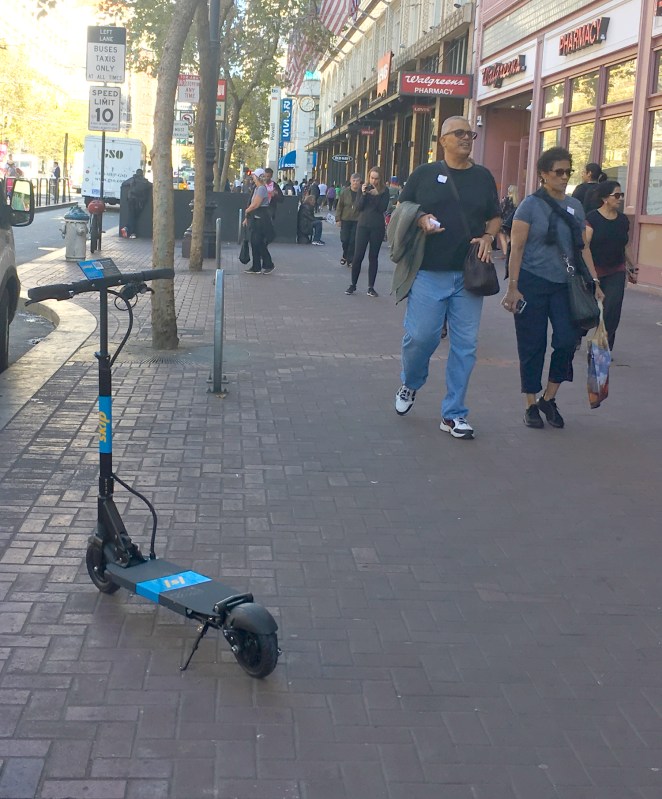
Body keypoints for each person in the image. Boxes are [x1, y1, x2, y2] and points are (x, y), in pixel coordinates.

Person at [394, 116, 501, 440]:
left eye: (471, 134)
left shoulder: (483, 177)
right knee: (421, 338)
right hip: (428, 272)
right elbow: (402, 208)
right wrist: (421, 217)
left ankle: (453, 414)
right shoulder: (424, 174)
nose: (467, 138)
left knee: (465, 347)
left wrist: (487, 237)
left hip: (468, 276)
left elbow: (494, 217)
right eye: (459, 133)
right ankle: (411, 383)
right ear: (443, 140)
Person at [501, 147, 604, 429]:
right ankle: (531, 403)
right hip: (532, 282)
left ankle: (549, 397)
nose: (564, 177)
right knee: (533, 344)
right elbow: (517, 248)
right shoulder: (529, 205)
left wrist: (594, 281)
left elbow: (582, 249)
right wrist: (513, 287)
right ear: (543, 174)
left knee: (566, 340)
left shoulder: (575, 205)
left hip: (565, 286)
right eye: (558, 172)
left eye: (568, 172)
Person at [584, 180, 632, 351]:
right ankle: (577, 336)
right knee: (587, 311)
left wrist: (631, 266)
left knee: (612, 309)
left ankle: (602, 347)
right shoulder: (592, 218)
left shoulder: (623, 220)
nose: (620, 199)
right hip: (594, 269)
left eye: (622, 195)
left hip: (616, 269)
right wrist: (592, 275)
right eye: (617, 195)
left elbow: (625, 245)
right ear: (605, 198)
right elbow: (585, 247)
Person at [345, 166, 389, 297]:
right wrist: (364, 194)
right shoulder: (363, 188)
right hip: (363, 225)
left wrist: (377, 195)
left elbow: (382, 208)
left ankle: (371, 287)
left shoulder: (384, 191)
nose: (374, 181)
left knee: (373, 257)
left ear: (380, 179)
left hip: (377, 226)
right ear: (368, 177)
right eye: (372, 178)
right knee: (358, 255)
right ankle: (353, 284)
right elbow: (358, 207)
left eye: (376, 178)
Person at [242, 168, 275, 275]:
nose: (252, 177)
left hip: (260, 217)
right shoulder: (257, 188)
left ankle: (265, 264)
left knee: (257, 242)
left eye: (254, 176)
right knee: (256, 242)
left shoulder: (260, 189)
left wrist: (247, 211)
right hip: (257, 216)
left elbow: (256, 204)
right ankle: (259, 266)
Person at [335, 173, 362, 269]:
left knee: (353, 241)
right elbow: (339, 206)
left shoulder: (362, 193)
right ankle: (345, 254)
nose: (355, 183)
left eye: (357, 181)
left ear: (360, 182)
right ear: (350, 181)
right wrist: (338, 219)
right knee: (344, 239)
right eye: (353, 181)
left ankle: (350, 260)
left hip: (357, 220)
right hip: (345, 219)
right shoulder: (345, 192)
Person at [120, 168, 151, 239]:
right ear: (142, 174)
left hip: (131, 200)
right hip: (140, 202)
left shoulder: (132, 179)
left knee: (132, 216)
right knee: (135, 217)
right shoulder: (145, 182)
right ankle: (129, 230)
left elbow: (124, 183)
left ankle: (130, 231)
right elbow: (151, 185)